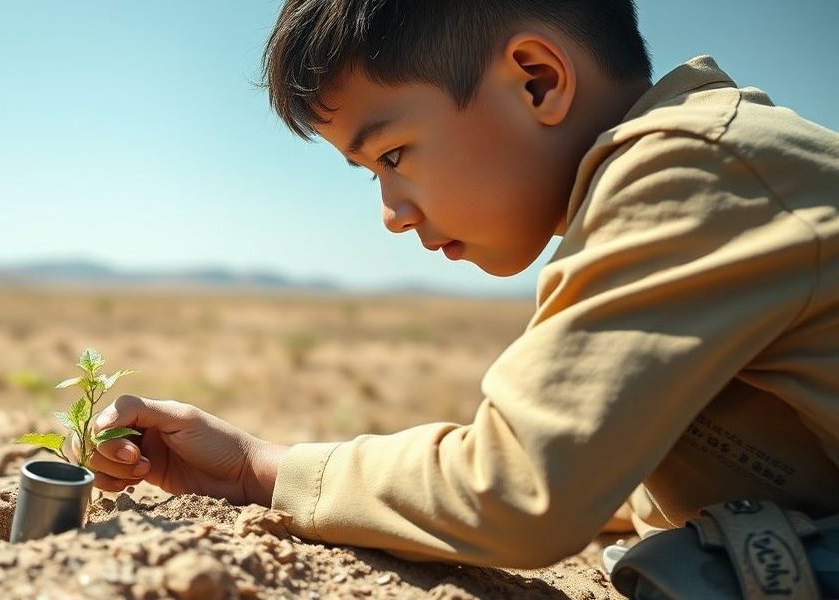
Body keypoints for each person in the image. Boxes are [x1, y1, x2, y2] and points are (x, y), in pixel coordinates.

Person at [84, 0, 839, 587]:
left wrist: (259, 468)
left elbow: (519, 490)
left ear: (537, 80)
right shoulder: (688, 174)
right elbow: (597, 464)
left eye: (394, 154)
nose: (392, 212)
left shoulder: (689, 169)